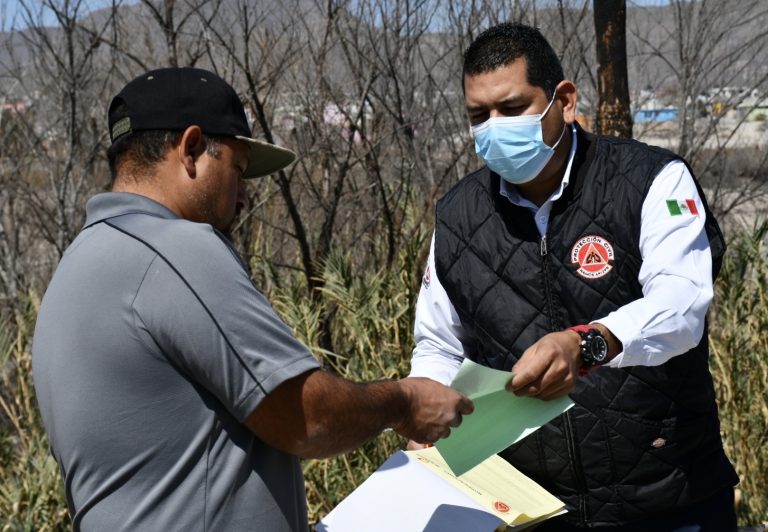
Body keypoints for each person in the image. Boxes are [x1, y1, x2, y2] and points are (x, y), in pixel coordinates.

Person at [31, 67, 473, 531]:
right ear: (192, 149)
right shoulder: (178, 248)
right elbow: (308, 418)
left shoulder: (73, 271)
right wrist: (404, 402)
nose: (243, 196)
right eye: (238, 171)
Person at [409, 23, 739, 531]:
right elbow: (438, 343)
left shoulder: (649, 180)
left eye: (512, 108)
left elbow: (682, 303)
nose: (494, 128)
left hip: (668, 497)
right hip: (532, 508)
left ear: (563, 100)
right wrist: (425, 412)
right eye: (479, 115)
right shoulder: (457, 217)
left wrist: (586, 345)